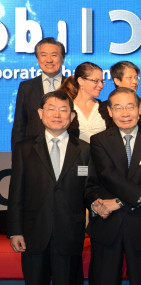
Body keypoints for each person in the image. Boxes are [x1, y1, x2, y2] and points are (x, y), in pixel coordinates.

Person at [87, 87, 141, 285]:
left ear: (140, 109)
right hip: (108, 225)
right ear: (109, 111)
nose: (125, 114)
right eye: (118, 108)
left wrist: (118, 202)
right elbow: (109, 175)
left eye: (130, 107)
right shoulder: (99, 141)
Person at [7, 91, 91, 285]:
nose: (57, 114)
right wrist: (15, 231)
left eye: (63, 110)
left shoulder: (85, 149)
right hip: (33, 234)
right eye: (51, 109)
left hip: (70, 234)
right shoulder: (24, 148)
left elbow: (89, 189)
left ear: (71, 116)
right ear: (40, 113)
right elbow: (16, 193)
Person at [12, 37, 66, 150]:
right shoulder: (26, 87)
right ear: (37, 59)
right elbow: (19, 125)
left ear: (63, 59)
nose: (49, 60)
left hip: (67, 150)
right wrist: (17, 159)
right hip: (33, 151)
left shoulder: (74, 85)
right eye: (44, 55)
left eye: (54, 55)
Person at [60, 62, 113, 142]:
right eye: (96, 81)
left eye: (102, 81)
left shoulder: (105, 109)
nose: (101, 86)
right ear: (81, 81)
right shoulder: (65, 108)